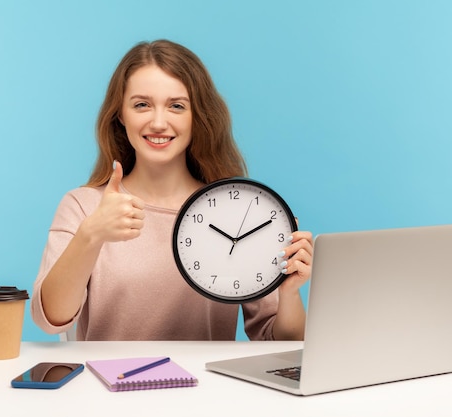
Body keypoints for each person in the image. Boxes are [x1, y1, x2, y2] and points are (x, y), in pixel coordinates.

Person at [31, 39, 313, 341]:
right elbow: (51, 320)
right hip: (108, 386)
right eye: (142, 105)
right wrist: (91, 235)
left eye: (177, 106)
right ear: (120, 114)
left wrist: (289, 293)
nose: (158, 122)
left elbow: (279, 342)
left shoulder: (238, 212)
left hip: (205, 387)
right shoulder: (84, 206)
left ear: (197, 116)